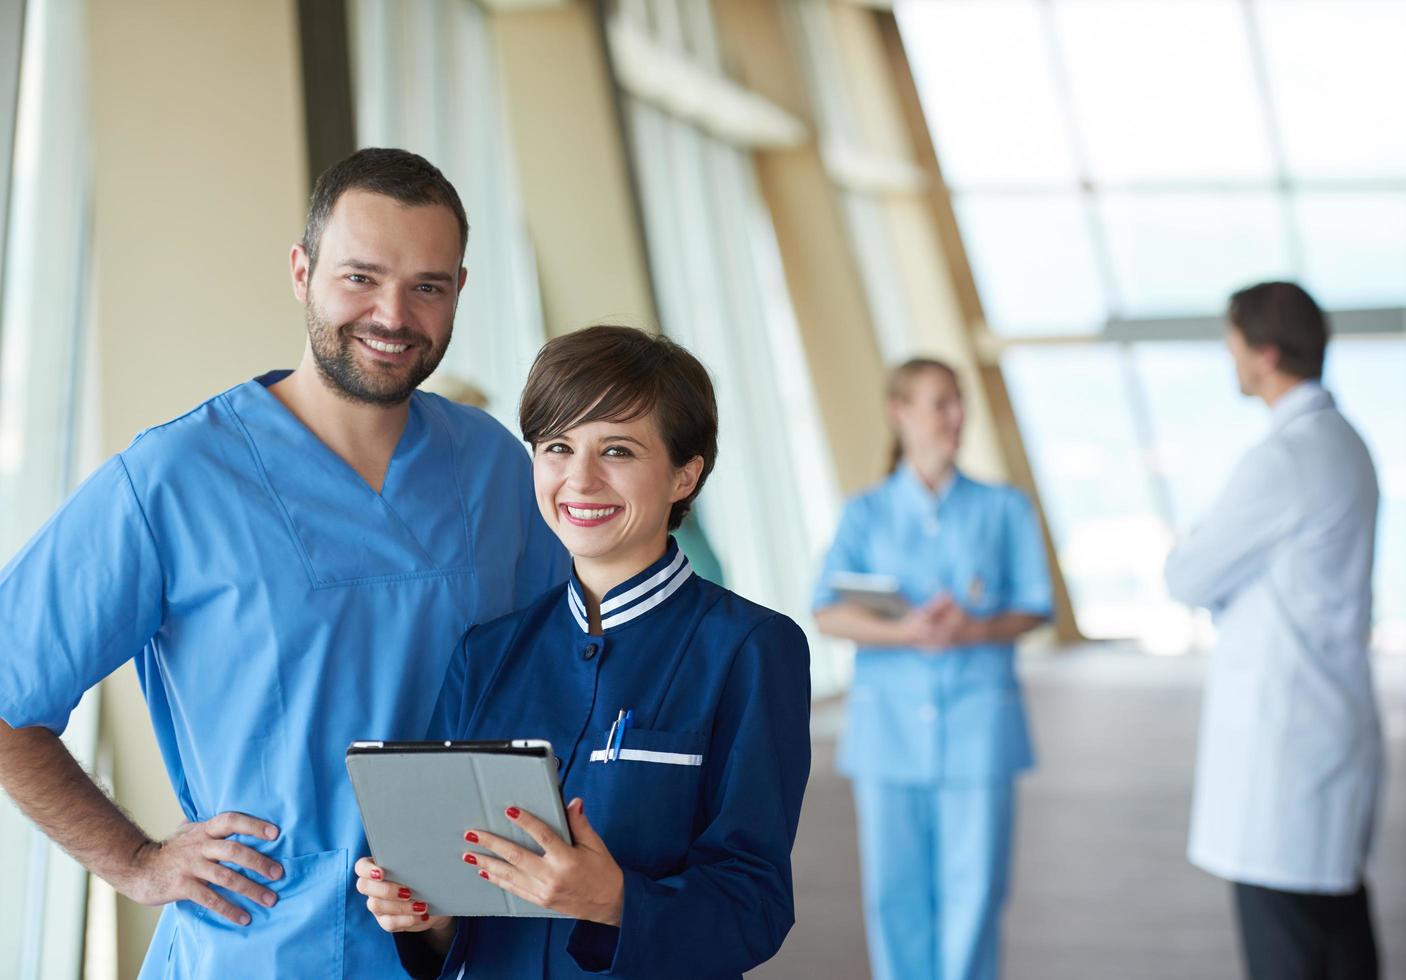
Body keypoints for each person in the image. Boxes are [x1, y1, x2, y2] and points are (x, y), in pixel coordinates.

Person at [0, 148, 566, 978]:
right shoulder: (172, 479)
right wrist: (136, 861)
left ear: (458, 294)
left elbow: (563, 679)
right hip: (261, 948)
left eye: (427, 286)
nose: (393, 314)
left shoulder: (494, 467)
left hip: (468, 942)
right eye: (360, 277)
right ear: (301, 271)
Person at [352, 325, 812, 979]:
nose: (580, 479)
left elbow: (756, 905)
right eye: (558, 447)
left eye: (617, 450)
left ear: (685, 473)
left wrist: (614, 900)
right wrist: (426, 913)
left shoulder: (749, 650)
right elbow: (455, 899)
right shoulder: (485, 654)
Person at [1165, 282, 1381, 980]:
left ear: (1264, 353)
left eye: (1232, 343)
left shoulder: (1280, 459)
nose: (1229, 358)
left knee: (1287, 948)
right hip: (1331, 722)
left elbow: (1188, 576)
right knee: (1338, 934)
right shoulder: (1345, 443)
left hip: (1284, 747)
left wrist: (1200, 545)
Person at [813, 358, 1051, 980]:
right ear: (901, 412)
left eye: (959, 402)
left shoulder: (1005, 509)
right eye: (940, 403)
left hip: (980, 724)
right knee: (894, 892)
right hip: (887, 731)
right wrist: (904, 631)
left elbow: (1033, 606)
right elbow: (828, 611)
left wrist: (973, 628)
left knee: (976, 890)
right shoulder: (865, 513)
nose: (956, 416)